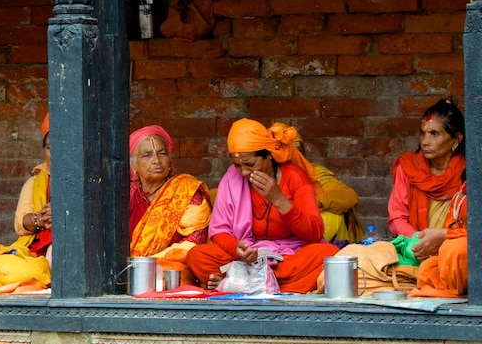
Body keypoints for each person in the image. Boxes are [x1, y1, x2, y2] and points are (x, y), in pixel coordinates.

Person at [187, 119, 337, 293]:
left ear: (269, 155)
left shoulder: (295, 177)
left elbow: (315, 233)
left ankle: (238, 284)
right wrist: (236, 249)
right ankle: (265, 285)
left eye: (250, 165)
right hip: (248, 259)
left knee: (328, 254)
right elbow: (219, 231)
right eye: (237, 165)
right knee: (197, 256)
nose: (243, 172)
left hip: (289, 257)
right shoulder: (231, 179)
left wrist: (279, 199)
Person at [127, 125, 210, 284]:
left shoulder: (186, 190)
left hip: (171, 271)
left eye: (162, 153)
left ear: (170, 160)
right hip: (128, 271)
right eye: (147, 155)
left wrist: (148, 263)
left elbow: (194, 241)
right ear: (133, 166)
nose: (156, 161)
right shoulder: (124, 194)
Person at [387, 97, 465, 262]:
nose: (425, 142)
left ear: (456, 140)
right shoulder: (409, 168)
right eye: (423, 133)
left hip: (453, 250)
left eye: (434, 134)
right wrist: (419, 240)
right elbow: (397, 218)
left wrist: (441, 240)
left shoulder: (468, 172)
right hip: (415, 248)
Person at [268, 123, 363, 246]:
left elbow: (349, 196)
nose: (294, 158)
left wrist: (314, 200)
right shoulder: (260, 175)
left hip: (310, 238)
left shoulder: (314, 172)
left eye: (298, 153)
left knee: (332, 214)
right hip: (270, 240)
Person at [13, 113, 52, 264]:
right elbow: (21, 222)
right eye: (49, 148)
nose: (55, 154)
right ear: (43, 149)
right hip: (36, 250)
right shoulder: (35, 182)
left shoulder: (90, 179)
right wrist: (41, 219)